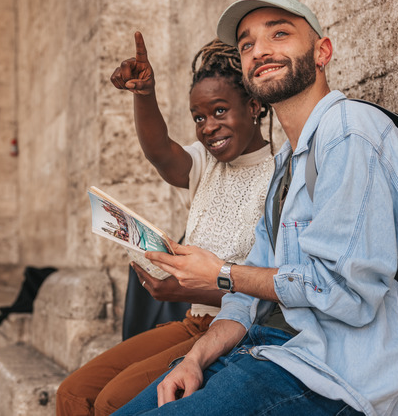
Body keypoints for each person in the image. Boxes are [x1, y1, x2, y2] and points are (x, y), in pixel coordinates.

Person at [113, 0, 398, 416]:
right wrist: (194, 359)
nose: (259, 50)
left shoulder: (350, 132)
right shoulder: (287, 161)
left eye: (279, 34)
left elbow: (346, 293)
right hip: (272, 351)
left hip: (340, 374)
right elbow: (244, 300)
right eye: (247, 44)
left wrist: (222, 272)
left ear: (323, 51)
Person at [55, 35, 275, 415]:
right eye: (199, 117)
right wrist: (145, 93)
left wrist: (182, 289)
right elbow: (160, 152)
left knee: (112, 401)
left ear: (254, 106)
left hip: (235, 331)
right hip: (193, 322)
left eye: (220, 111)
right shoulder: (207, 165)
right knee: (73, 394)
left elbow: (267, 294)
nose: (208, 127)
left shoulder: (279, 175)